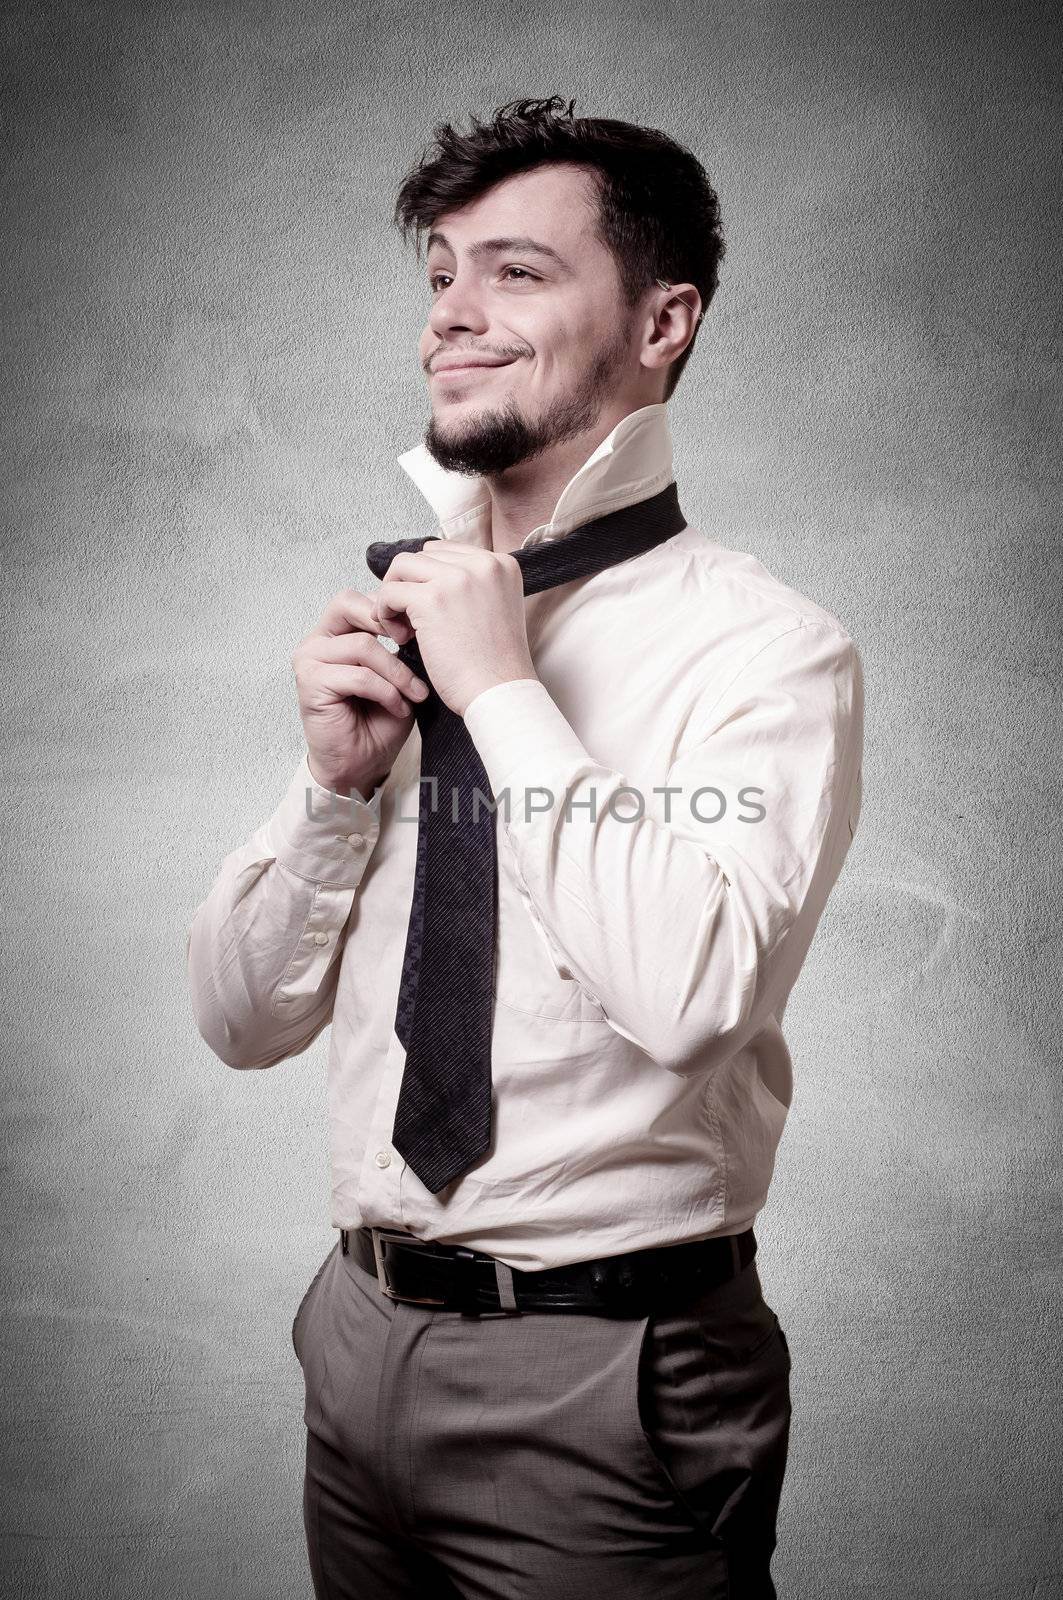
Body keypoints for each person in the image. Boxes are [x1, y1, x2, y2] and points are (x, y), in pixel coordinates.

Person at [186, 95, 863, 1599]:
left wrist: (503, 691)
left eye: (515, 271)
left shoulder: (767, 651)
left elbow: (693, 998)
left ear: (662, 319)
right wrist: (332, 791)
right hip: (354, 1346)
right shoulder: (394, 634)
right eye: (439, 274)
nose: (451, 317)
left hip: (612, 1383)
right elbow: (239, 1021)